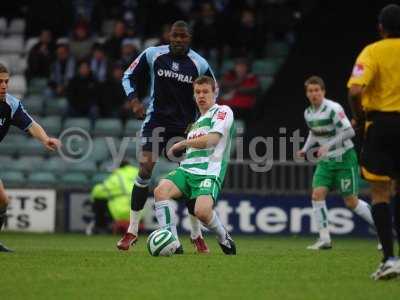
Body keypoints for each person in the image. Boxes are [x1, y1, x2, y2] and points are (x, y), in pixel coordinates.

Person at [117, 20, 217, 253]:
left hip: (185, 128)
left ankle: (196, 234)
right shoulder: (153, 54)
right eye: (175, 35)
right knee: (145, 169)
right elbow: (128, 75)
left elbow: (214, 90)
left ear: (189, 38)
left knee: (191, 180)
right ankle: (132, 231)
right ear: (168, 35)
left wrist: (202, 118)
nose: (178, 40)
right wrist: (134, 101)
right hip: (156, 122)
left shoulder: (199, 64)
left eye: (183, 36)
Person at [154, 75, 236, 255]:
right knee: (160, 191)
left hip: (208, 172)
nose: (201, 95)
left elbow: (213, 139)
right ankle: (172, 241)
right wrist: (175, 151)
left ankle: (223, 236)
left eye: (206, 91)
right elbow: (191, 149)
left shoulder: (222, 111)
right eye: (197, 92)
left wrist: (183, 143)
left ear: (215, 93)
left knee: (202, 211)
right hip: (186, 170)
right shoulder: (194, 123)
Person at [347, 4, 400, 280]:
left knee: (380, 193)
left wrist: (359, 116)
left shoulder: (373, 51)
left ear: (381, 27)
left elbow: (356, 89)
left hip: (380, 124)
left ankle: (391, 259)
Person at [297, 76, 377, 250]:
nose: (314, 94)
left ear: (323, 91)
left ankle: (383, 231)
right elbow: (313, 133)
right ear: (307, 93)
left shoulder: (333, 108)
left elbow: (349, 132)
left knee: (351, 202)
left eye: (317, 90)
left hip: (344, 157)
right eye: (310, 91)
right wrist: (305, 148)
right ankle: (324, 239)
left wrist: (328, 145)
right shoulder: (308, 113)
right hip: (326, 161)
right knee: (316, 195)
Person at [0, 63, 61, 252]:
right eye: (0, 82)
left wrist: (45, 139)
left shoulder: (10, 104)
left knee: (3, 201)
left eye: (6, 81)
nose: (4, 86)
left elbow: (31, 124)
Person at [89, 161, 139, 234]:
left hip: (122, 211)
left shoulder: (117, 176)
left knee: (99, 200)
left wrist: (92, 197)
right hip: (139, 211)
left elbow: (98, 192)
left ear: (119, 167)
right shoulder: (138, 173)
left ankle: (101, 227)